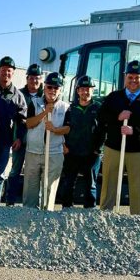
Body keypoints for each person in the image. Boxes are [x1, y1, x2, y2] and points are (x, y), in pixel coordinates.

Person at [98, 60, 140, 214]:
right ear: (125, 77)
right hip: (114, 148)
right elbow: (101, 116)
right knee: (108, 185)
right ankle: (104, 217)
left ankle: (138, 220)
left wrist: (135, 130)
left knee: (139, 188)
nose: (133, 80)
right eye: (130, 77)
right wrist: (118, 117)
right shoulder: (114, 96)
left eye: (137, 77)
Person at [0, 56, 27, 205]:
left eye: (9, 71)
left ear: (13, 73)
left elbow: (22, 120)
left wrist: (19, 137)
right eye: (3, 70)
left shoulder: (18, 96)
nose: (6, 73)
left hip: (4, 141)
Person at [23, 72, 70, 209]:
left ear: (60, 90)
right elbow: (28, 123)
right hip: (33, 152)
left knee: (49, 191)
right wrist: (44, 113)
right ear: (44, 88)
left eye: (56, 88)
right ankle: (28, 218)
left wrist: (55, 129)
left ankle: (46, 218)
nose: (52, 90)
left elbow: (67, 128)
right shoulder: (34, 103)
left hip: (54, 153)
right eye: (50, 87)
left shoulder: (65, 107)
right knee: (30, 190)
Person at [60, 75, 104, 208]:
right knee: (68, 182)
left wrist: (98, 149)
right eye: (82, 89)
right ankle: (66, 209)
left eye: (88, 89)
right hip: (72, 152)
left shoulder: (99, 108)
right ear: (77, 91)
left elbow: (104, 130)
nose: (85, 92)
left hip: (91, 153)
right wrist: (64, 145)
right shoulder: (70, 109)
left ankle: (90, 211)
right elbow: (63, 128)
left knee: (90, 184)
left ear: (93, 90)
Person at [6, 63, 44, 206]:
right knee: (15, 171)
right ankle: (10, 201)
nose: (34, 81)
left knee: (35, 173)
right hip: (20, 140)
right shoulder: (18, 94)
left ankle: (34, 202)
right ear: (27, 78)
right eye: (31, 78)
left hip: (38, 142)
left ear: (41, 80)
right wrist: (16, 138)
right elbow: (14, 120)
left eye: (37, 78)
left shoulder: (45, 96)